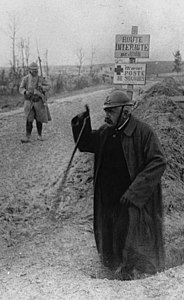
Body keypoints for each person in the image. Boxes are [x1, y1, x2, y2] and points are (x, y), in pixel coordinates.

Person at [71, 90, 166, 279]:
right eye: (106, 111)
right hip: (108, 197)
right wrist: (82, 122)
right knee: (109, 234)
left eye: (111, 112)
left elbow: (158, 162)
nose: (106, 116)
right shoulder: (106, 131)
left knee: (130, 236)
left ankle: (129, 272)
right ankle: (114, 267)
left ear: (125, 112)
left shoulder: (143, 132)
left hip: (130, 199)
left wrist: (135, 192)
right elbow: (86, 144)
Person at [19, 62, 51, 143]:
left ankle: (40, 136)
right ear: (29, 70)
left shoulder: (41, 79)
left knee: (39, 119)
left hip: (39, 102)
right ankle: (27, 136)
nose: (35, 71)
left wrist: (42, 87)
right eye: (33, 70)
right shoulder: (25, 79)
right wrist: (25, 92)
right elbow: (21, 88)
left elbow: (48, 86)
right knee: (29, 118)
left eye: (36, 70)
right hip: (29, 102)